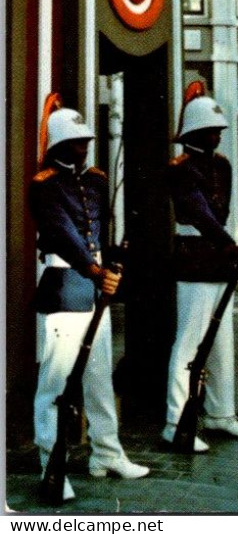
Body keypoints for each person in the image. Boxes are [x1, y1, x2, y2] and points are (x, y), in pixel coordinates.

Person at [30, 95, 149, 501]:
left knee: (99, 376)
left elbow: (97, 230)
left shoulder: (95, 179)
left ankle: (107, 453)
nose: (84, 145)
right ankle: (51, 464)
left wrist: (110, 261)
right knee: (57, 381)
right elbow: (62, 231)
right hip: (65, 282)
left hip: (96, 282)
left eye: (86, 139)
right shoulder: (44, 185)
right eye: (77, 140)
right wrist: (94, 269)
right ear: (60, 143)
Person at [163, 82, 238, 451]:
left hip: (217, 256)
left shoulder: (222, 164)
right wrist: (228, 244)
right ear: (195, 132)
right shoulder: (180, 167)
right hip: (194, 255)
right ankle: (175, 420)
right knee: (189, 342)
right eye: (212, 131)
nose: (218, 136)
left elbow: (223, 209)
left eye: (219, 131)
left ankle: (221, 413)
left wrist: (227, 246)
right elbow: (200, 213)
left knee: (221, 340)